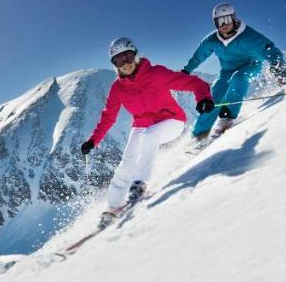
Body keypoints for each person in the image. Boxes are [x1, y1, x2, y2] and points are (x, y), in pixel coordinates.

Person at [80, 37, 214, 228]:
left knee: (149, 136)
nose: (124, 63)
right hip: (142, 125)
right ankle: (112, 207)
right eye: (118, 60)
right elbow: (108, 117)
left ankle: (139, 185)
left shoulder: (156, 73)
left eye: (127, 57)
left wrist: (204, 98)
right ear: (114, 64)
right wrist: (93, 141)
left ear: (135, 55)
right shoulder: (117, 89)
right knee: (127, 159)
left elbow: (193, 83)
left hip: (172, 121)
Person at [181, 2, 286, 144]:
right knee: (214, 96)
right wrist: (186, 71)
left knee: (238, 78)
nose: (224, 25)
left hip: (251, 65)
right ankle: (199, 134)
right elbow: (198, 56)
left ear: (233, 18)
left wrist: (278, 66)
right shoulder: (212, 40)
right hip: (227, 70)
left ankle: (227, 117)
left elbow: (269, 49)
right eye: (219, 21)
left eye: (227, 19)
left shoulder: (248, 36)